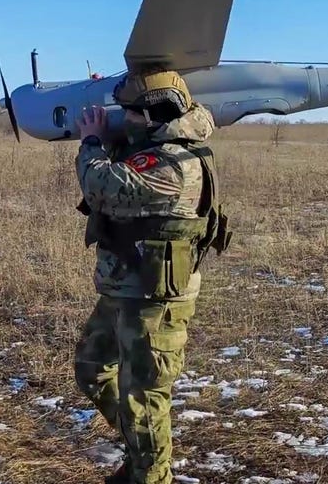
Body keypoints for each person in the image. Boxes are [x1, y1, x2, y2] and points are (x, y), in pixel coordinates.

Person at [72, 68, 231, 484]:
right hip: (126, 288)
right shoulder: (158, 145)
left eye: (129, 112)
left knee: (144, 400)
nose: (123, 118)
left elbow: (102, 187)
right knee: (92, 369)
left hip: (155, 303)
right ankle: (141, 451)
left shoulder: (176, 163)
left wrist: (92, 140)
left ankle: (150, 472)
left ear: (152, 115)